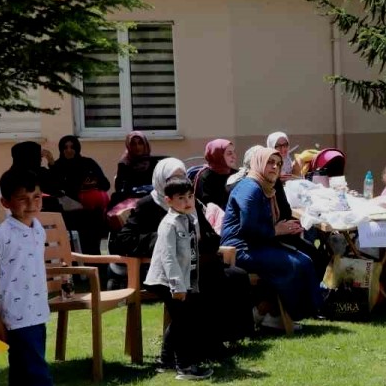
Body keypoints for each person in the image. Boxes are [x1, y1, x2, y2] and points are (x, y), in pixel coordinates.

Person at [0, 169, 85, 386]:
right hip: (16, 318)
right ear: (6, 203)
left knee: (22, 375)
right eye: (22, 199)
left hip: (37, 312)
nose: (31, 203)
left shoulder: (37, 228)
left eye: (36, 196)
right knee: (37, 375)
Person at [109, 158, 255, 347]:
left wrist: (201, 237)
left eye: (182, 176)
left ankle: (228, 336)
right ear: (162, 180)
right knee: (205, 282)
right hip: (165, 271)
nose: (179, 182)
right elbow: (125, 239)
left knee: (235, 276)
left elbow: (210, 234)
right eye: (173, 178)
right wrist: (167, 240)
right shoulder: (148, 204)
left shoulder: (189, 202)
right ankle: (205, 344)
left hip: (193, 264)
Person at [221, 147, 324, 329]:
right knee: (296, 264)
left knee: (306, 259)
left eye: (278, 164)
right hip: (240, 248)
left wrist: (285, 229)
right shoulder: (250, 188)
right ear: (258, 163)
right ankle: (281, 314)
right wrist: (277, 230)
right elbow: (248, 228)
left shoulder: (265, 187)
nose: (275, 167)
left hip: (258, 244)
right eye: (270, 162)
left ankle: (274, 314)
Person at [144, 176, 215, 381]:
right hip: (166, 280)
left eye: (190, 196)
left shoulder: (189, 219)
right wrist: (177, 285)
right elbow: (168, 257)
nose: (187, 202)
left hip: (182, 279)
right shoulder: (169, 225)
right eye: (181, 198)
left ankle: (166, 361)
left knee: (181, 319)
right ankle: (185, 367)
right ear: (168, 201)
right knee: (184, 321)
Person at [49, 135, 110, 255]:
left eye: (72, 147)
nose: (69, 150)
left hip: (91, 213)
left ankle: (97, 269)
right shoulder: (57, 166)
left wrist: (92, 183)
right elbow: (55, 187)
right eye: (65, 147)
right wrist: (52, 166)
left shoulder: (88, 163)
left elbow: (105, 184)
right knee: (72, 248)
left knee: (92, 247)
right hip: (70, 214)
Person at [10, 141, 62, 214]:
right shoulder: (34, 174)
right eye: (38, 155)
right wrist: (50, 160)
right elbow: (58, 183)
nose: (41, 158)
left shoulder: (11, 174)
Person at [111, 131, 160, 206]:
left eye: (140, 143)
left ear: (145, 145)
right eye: (133, 144)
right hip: (131, 199)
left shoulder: (153, 162)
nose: (137, 147)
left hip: (151, 198)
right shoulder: (124, 164)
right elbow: (119, 188)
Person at [194, 139, 237, 211]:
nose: (234, 156)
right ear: (218, 155)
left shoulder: (236, 174)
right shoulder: (205, 177)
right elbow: (206, 206)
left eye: (234, 152)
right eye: (229, 153)